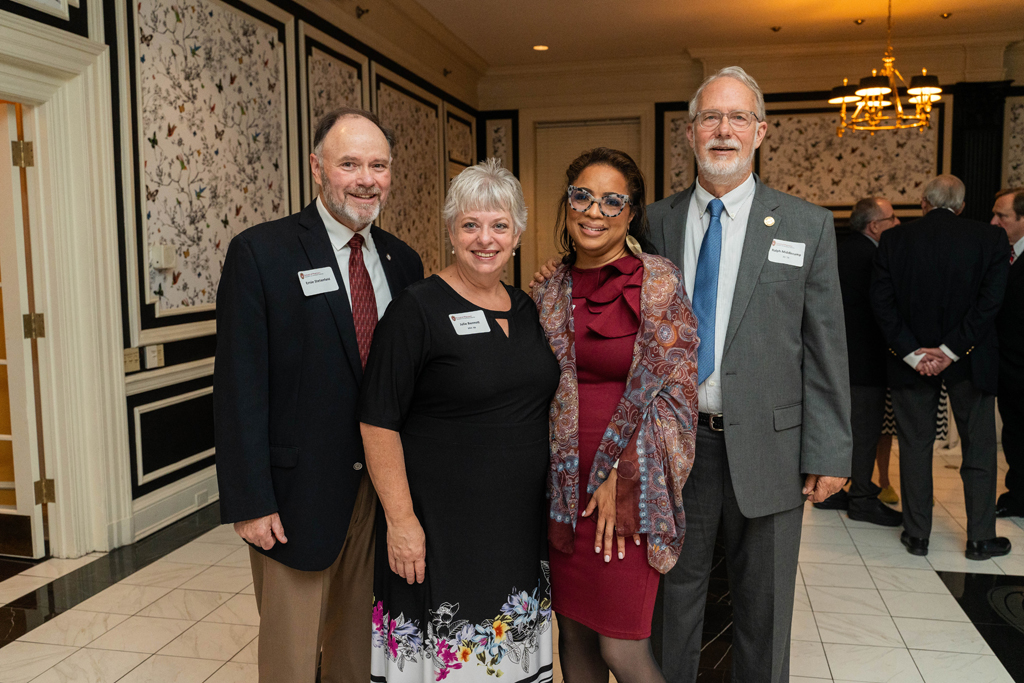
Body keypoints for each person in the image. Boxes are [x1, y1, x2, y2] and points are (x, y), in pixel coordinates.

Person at [647, 67, 852, 683]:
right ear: (689, 133)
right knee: (671, 609)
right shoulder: (656, 222)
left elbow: (825, 348)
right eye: (711, 117)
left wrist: (832, 450)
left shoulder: (805, 224)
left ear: (760, 131)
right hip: (678, 448)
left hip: (772, 448)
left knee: (763, 612)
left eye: (738, 118)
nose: (724, 131)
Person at [214, 108, 423, 683]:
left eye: (378, 165)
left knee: (357, 654)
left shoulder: (404, 263)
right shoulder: (261, 253)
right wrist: (249, 499)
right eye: (349, 163)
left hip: (378, 494)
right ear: (316, 168)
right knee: (290, 657)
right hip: (293, 496)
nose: (365, 179)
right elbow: (239, 385)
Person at [359, 158, 559, 682]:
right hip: (440, 530)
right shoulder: (415, 310)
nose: (485, 239)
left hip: (517, 529)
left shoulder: (527, 308)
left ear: (517, 233)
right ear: (451, 232)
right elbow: (378, 422)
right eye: (470, 224)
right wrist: (402, 523)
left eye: (498, 225)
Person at [532, 148, 698, 683]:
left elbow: (678, 397)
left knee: (622, 650)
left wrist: (622, 472)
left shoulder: (657, 283)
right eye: (581, 195)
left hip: (628, 496)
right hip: (559, 491)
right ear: (566, 203)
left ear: (631, 213)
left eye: (612, 200)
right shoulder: (548, 289)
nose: (594, 211)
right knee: (574, 641)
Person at [871, 174, 1011, 560]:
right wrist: (951, 350)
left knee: (915, 448)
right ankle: (980, 538)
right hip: (971, 358)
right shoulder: (990, 239)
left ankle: (917, 536)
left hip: (910, 362)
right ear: (962, 206)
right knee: (979, 451)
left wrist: (915, 354)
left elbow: (881, 304)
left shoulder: (894, 240)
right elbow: (989, 304)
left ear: (923, 203)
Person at [814, 198, 903, 527]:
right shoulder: (876, 257)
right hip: (866, 362)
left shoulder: (836, 249)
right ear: (875, 225)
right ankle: (863, 498)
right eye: (892, 218)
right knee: (865, 432)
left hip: (833, 360)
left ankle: (837, 491)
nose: (897, 224)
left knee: (841, 429)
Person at [991, 187, 1024, 518]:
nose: (994, 221)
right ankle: (1018, 496)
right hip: (1009, 370)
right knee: (1014, 434)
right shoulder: (1004, 254)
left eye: (1002, 215)